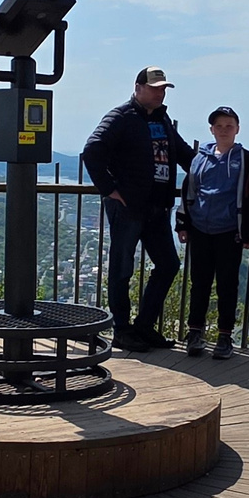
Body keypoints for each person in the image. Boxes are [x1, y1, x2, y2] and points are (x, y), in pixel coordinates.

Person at [81, 67, 192, 351]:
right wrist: (109, 190)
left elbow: (184, 155)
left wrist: (219, 165)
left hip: (157, 207)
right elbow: (92, 150)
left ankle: (143, 326)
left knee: (168, 264)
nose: (160, 92)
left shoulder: (162, 119)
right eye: (155, 87)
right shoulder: (121, 117)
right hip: (129, 208)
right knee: (122, 269)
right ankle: (122, 330)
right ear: (138, 87)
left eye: (163, 88)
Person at [177, 106, 249, 357]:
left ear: (237, 129)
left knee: (227, 285)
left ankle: (224, 337)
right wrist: (183, 224)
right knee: (199, 283)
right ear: (211, 129)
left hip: (229, 231)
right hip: (200, 228)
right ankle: (195, 333)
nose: (223, 130)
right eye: (219, 126)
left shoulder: (246, 160)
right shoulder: (199, 158)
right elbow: (189, 191)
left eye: (228, 126)